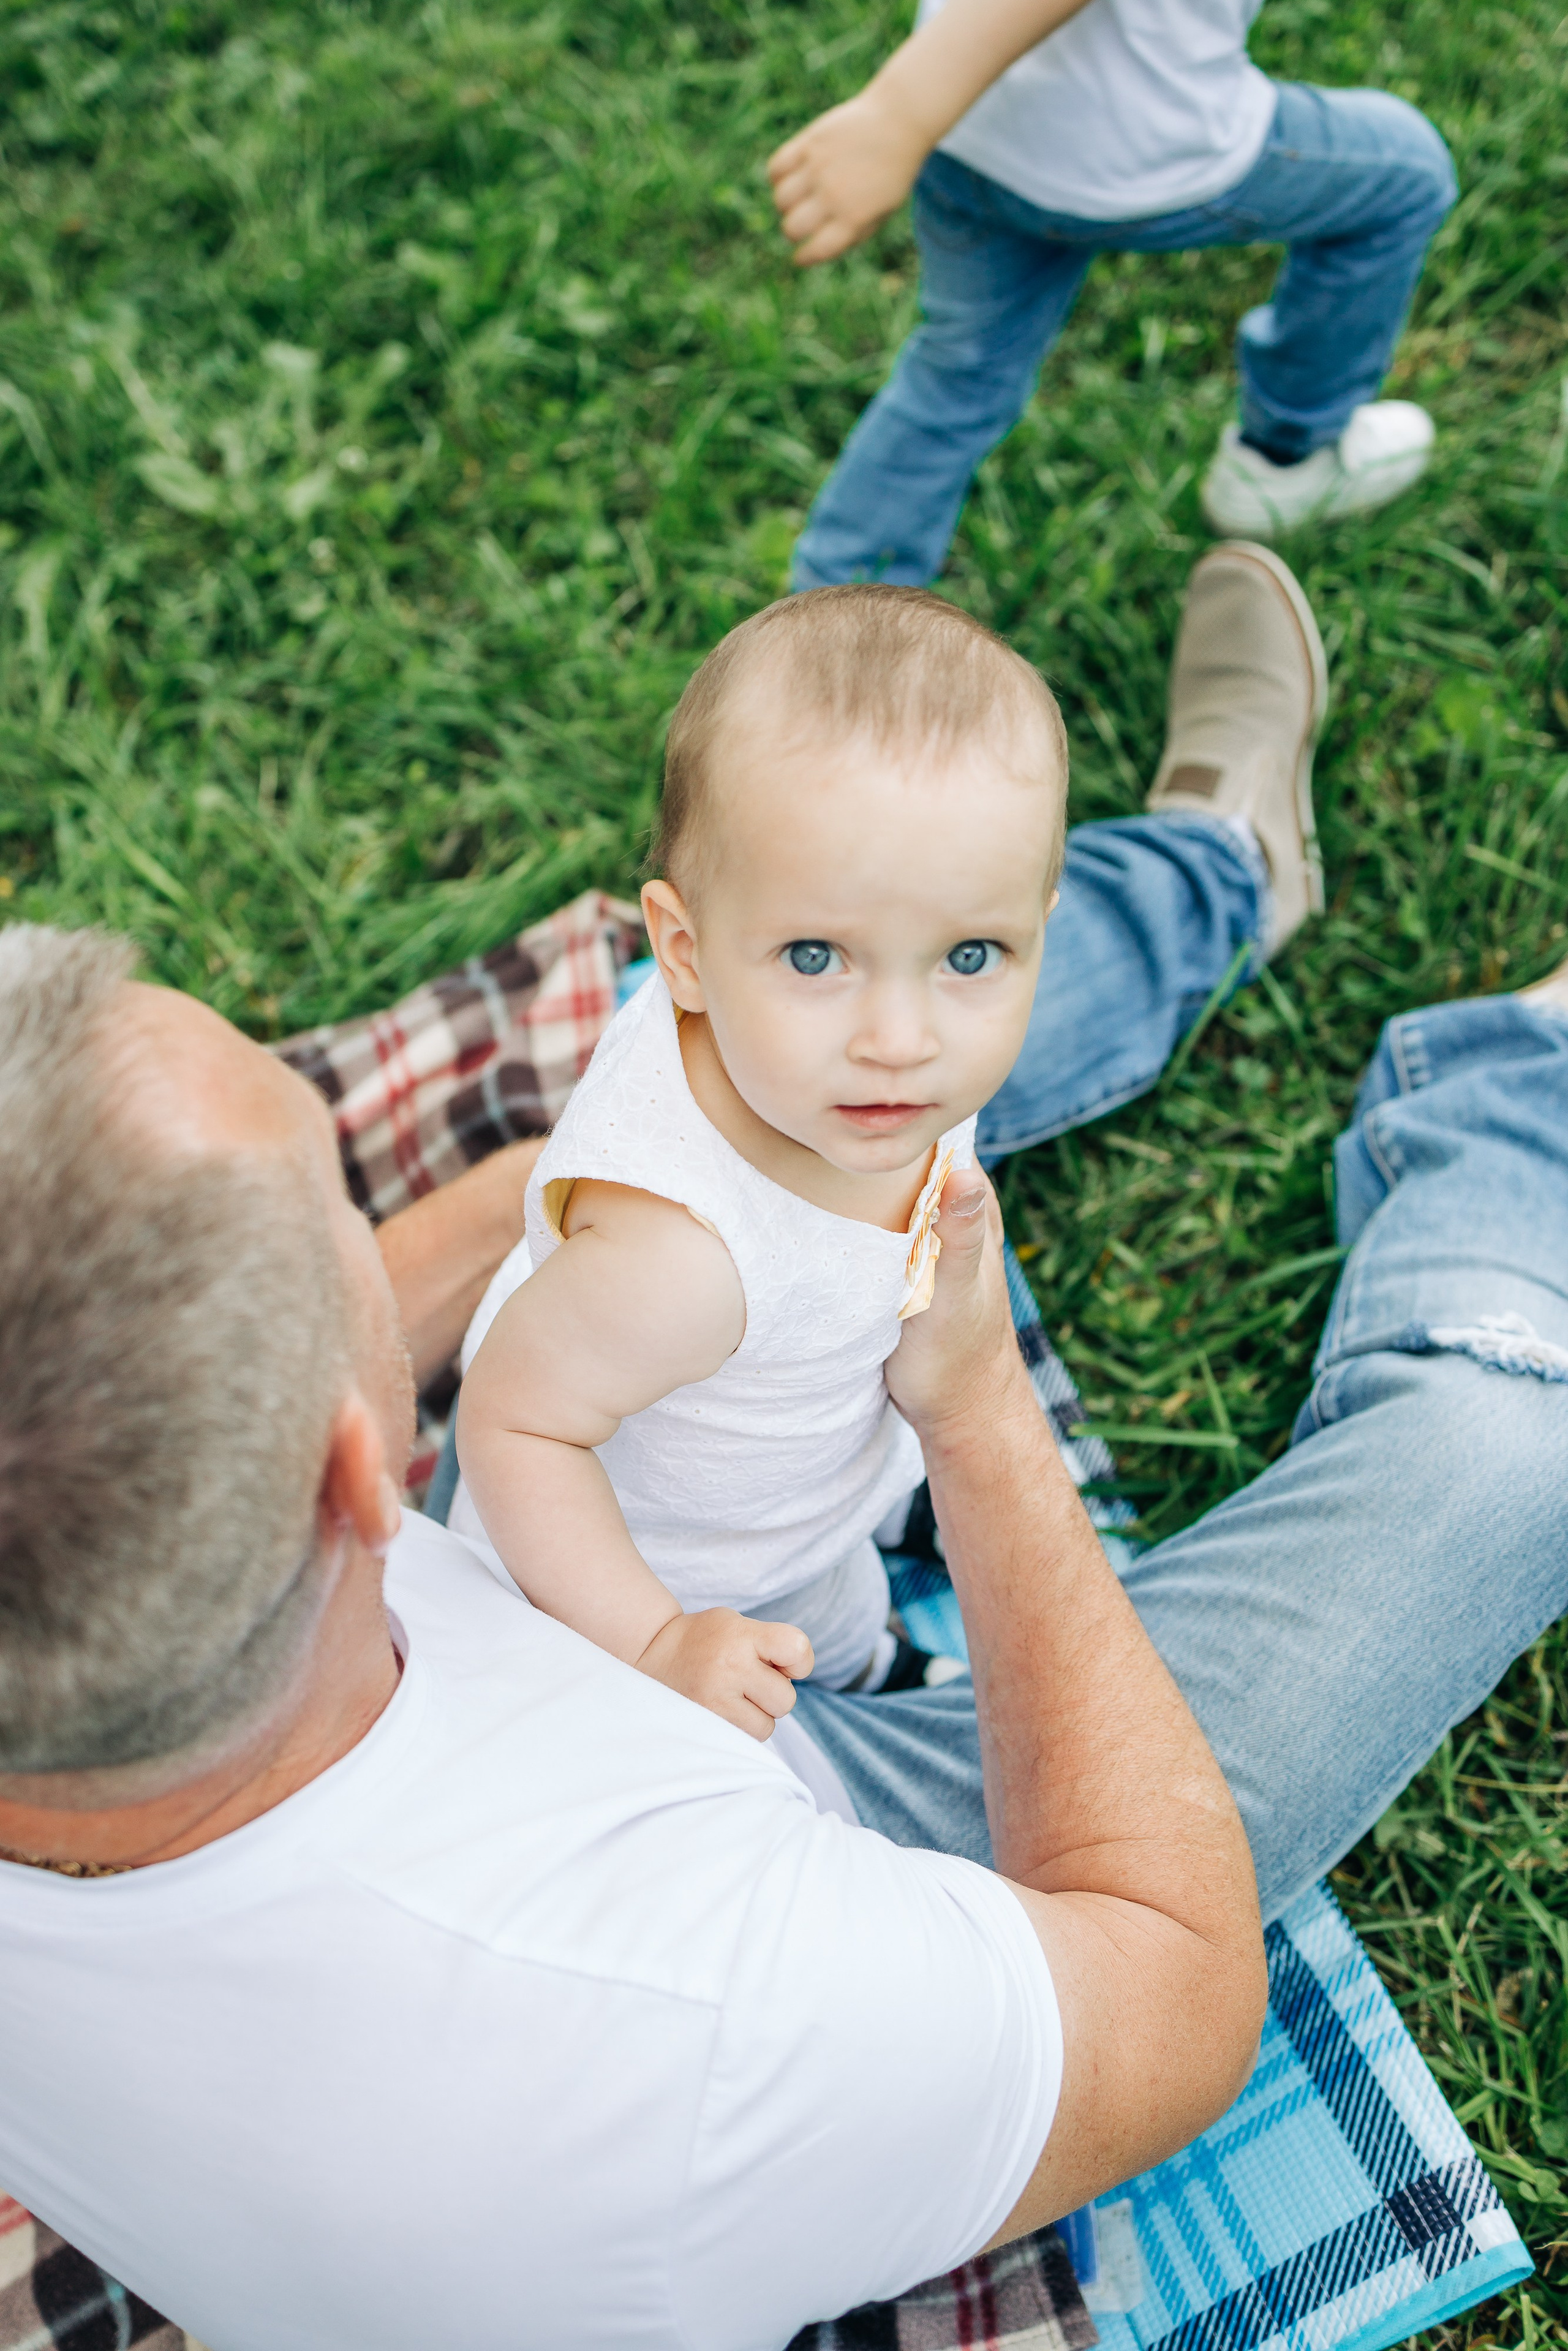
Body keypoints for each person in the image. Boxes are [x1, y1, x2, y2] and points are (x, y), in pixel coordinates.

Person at [0, 932, 1263, 2349]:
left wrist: (581, 1188)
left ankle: (1187, 883)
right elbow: (1175, 1994)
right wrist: (972, 1403)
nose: (375, 1220)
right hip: (777, 1841)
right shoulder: (692, 2018)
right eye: (347, 1207)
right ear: (364, 1483)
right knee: (1480, 1461)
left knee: (840, 987)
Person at [451, 588, 1069, 1710]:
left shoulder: (833, 1075)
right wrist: (654, 1643)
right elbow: (512, 1422)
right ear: (684, 954)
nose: (901, 1041)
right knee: (811, 1641)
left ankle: (876, 1648)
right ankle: (876, 1676)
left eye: (972, 956)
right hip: (652, 1582)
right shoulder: (679, 1262)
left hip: (805, 1499)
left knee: (842, 1619)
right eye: (816, 957)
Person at [766, 0, 1458, 572]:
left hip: (972, 137)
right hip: (1131, 152)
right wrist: (899, 112)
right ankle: (1285, 459)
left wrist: (917, 116)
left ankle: (830, 632)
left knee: (957, 376)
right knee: (1405, 176)